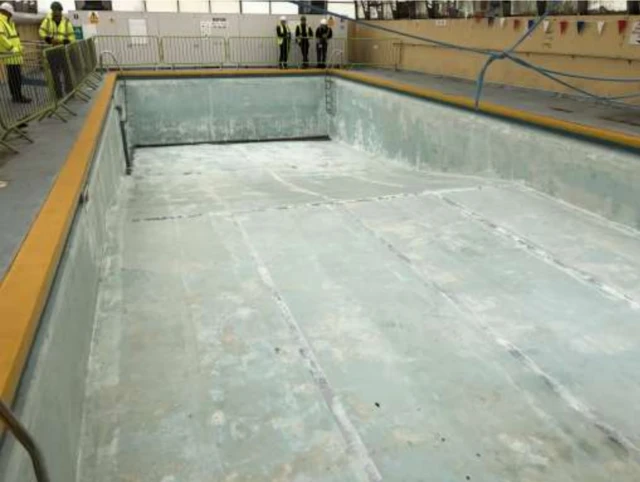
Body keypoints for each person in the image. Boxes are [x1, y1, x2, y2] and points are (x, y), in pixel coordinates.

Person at [39, 1, 75, 99]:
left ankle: (70, 91)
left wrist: (64, 41)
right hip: (51, 51)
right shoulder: (47, 20)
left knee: (67, 72)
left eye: (59, 11)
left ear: (61, 11)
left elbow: (72, 35)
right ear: (52, 11)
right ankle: (59, 94)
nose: (57, 13)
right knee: (55, 74)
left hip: (62, 50)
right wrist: (50, 40)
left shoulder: (66, 21)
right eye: (55, 11)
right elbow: (41, 31)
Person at [0, 2, 30, 103]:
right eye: (10, 13)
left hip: (15, 54)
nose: (11, 14)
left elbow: (13, 38)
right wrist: (12, 48)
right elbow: (1, 37)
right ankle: (17, 96)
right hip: (10, 54)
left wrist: (19, 47)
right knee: (14, 77)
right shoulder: (1, 21)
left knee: (15, 77)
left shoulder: (9, 22)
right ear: (5, 12)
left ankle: (17, 95)